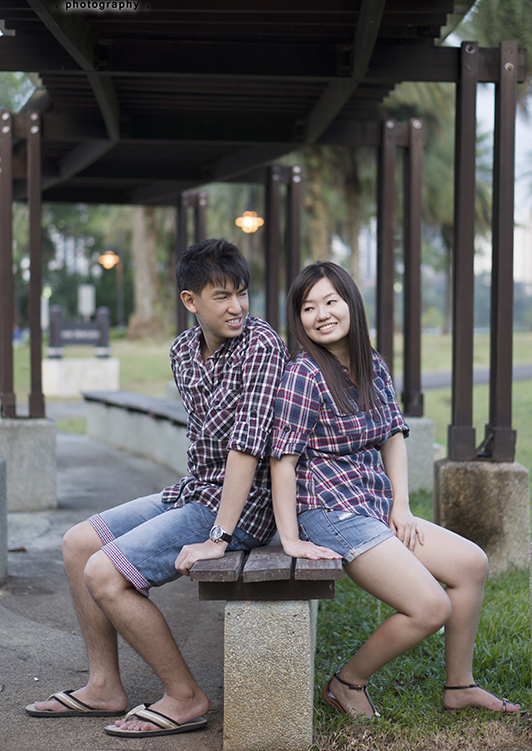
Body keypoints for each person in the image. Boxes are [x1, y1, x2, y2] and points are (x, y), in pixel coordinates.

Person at [26, 238, 289, 738]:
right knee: (79, 544)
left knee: (107, 574)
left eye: (242, 293)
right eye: (221, 296)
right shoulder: (183, 352)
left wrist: (218, 536)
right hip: (196, 490)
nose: (237, 307)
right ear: (190, 301)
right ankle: (104, 685)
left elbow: (247, 450)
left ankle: (185, 696)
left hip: (244, 505)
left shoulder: (261, 345)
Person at [270, 261, 520, 720]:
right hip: (331, 512)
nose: (321, 314)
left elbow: (392, 436)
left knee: (470, 563)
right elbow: (282, 459)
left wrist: (400, 506)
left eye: (330, 301)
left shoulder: (372, 364)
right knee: (429, 606)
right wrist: (290, 537)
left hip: (373, 506)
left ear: (351, 304)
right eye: (308, 307)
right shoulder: (304, 374)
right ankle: (348, 683)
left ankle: (460, 686)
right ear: (298, 318)